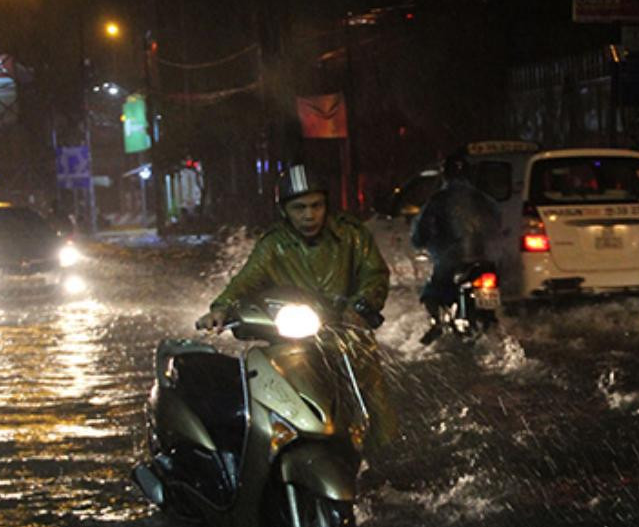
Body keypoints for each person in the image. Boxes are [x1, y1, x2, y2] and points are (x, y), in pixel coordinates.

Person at [196, 164, 396, 450]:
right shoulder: (273, 245)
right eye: (299, 207)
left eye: (316, 205)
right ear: (284, 211)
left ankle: (386, 460)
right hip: (295, 337)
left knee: (374, 399)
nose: (309, 215)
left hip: (348, 333)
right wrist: (221, 308)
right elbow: (245, 281)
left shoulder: (353, 235)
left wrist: (360, 307)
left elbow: (375, 275)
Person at [410, 152, 502, 344]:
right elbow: (497, 222)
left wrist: (420, 241)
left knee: (431, 294)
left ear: (445, 174)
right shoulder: (483, 199)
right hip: (485, 259)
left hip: (451, 260)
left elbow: (421, 230)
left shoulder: (439, 200)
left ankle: (437, 324)